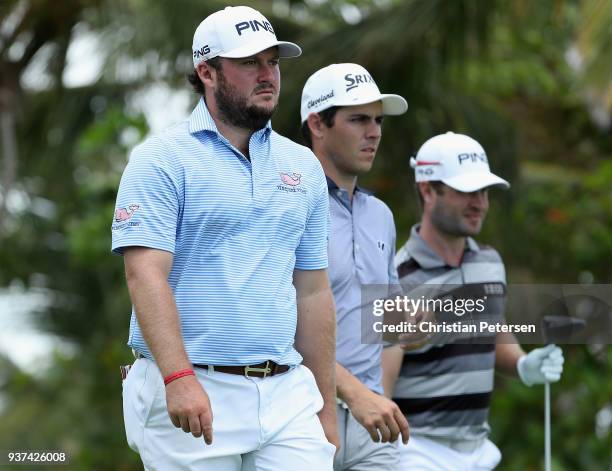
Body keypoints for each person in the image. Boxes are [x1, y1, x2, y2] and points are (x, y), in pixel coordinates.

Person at [112, 6, 338, 470]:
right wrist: (177, 376)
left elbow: (313, 292)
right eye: (249, 62)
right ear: (207, 72)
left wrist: (326, 409)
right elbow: (144, 275)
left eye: (272, 61)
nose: (267, 74)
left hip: (287, 392)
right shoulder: (161, 159)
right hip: (192, 383)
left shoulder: (303, 166)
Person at [381, 131, 565, 470]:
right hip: (416, 452)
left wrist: (524, 364)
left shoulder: (490, 263)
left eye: (484, 191)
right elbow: (380, 390)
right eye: (467, 192)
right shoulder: (397, 279)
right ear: (427, 190)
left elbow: (491, 330)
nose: (480, 202)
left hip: (479, 451)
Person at [300, 63, 410, 470]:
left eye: (378, 120)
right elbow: (283, 325)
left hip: (371, 424)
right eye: (359, 119)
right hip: (303, 415)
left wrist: (379, 395)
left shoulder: (381, 214)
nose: (375, 132)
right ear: (317, 123)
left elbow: (390, 328)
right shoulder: (289, 204)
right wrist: (354, 394)